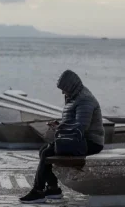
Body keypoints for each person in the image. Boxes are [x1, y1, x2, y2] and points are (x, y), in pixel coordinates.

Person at [19, 70, 105, 203]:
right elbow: (74, 123)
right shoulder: (74, 97)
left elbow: (81, 126)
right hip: (78, 139)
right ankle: (53, 189)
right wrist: (59, 125)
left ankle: (38, 191)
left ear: (71, 86)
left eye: (64, 89)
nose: (62, 93)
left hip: (91, 142)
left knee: (47, 152)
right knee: (44, 150)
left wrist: (60, 128)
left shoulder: (85, 100)